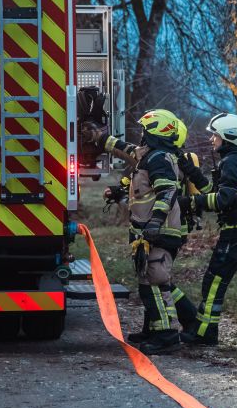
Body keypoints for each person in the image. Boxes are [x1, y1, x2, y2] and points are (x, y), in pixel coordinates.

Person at [82, 110, 196, 354]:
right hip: (147, 232)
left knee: (156, 282)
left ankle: (166, 335)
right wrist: (98, 137)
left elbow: (167, 192)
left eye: (145, 131)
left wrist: (155, 223)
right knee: (147, 281)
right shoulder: (149, 155)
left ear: (155, 133)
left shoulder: (159, 159)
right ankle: (153, 331)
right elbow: (125, 149)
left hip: (159, 231)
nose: (142, 135)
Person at [178, 113, 237, 346]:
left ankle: (205, 333)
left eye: (215, 135)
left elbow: (225, 199)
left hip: (236, 232)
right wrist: (192, 172)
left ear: (229, 137)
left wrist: (190, 203)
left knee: (214, 280)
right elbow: (215, 190)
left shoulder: (231, 162)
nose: (212, 139)